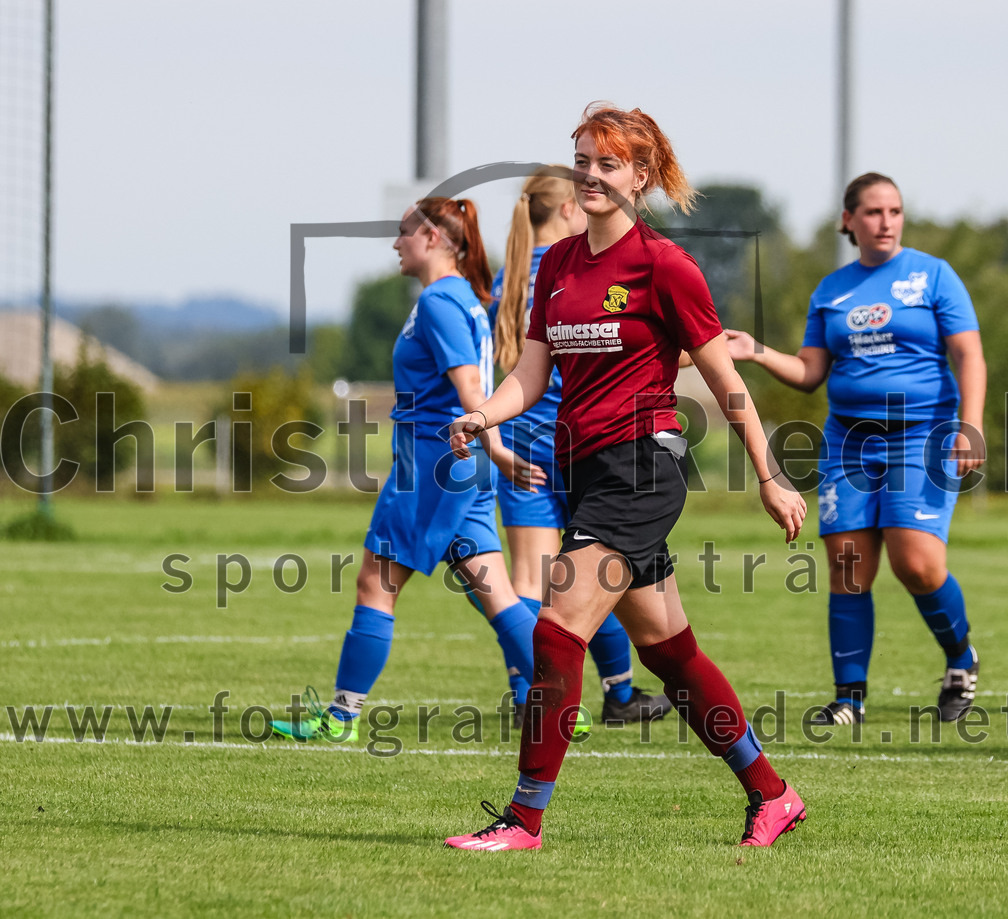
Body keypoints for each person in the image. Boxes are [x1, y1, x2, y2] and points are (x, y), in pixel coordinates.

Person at [444, 103, 808, 851]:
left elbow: (725, 379)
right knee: (667, 650)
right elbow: (532, 371)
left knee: (557, 627)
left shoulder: (664, 266)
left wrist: (770, 475)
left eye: (607, 163)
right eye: (582, 160)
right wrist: (486, 414)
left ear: (641, 175)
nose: (590, 174)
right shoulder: (560, 266)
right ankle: (773, 794)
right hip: (584, 472)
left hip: (643, 468)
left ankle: (523, 819)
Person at [270, 197, 538, 742]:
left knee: (376, 583)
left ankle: (340, 718)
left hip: (436, 464)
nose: (396, 243)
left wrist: (499, 451)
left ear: (435, 239)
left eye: (403, 233)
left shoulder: (442, 302)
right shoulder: (462, 298)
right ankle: (562, 699)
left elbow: (470, 391)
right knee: (496, 592)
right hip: (462, 467)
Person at [725, 172, 986, 726]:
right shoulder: (832, 289)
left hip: (923, 435)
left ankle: (961, 659)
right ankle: (850, 699)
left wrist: (971, 425)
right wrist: (756, 351)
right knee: (848, 566)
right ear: (849, 221)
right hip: (850, 442)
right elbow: (811, 372)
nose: (885, 221)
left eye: (894, 211)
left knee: (916, 563)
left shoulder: (934, 275)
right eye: (872, 212)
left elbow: (970, 356)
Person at [480, 166, 671, 727]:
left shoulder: (505, 280)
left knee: (531, 580)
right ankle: (618, 692)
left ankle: (527, 695)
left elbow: (508, 372)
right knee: (595, 579)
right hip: (585, 442)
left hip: (520, 441)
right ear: (568, 209)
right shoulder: (570, 269)